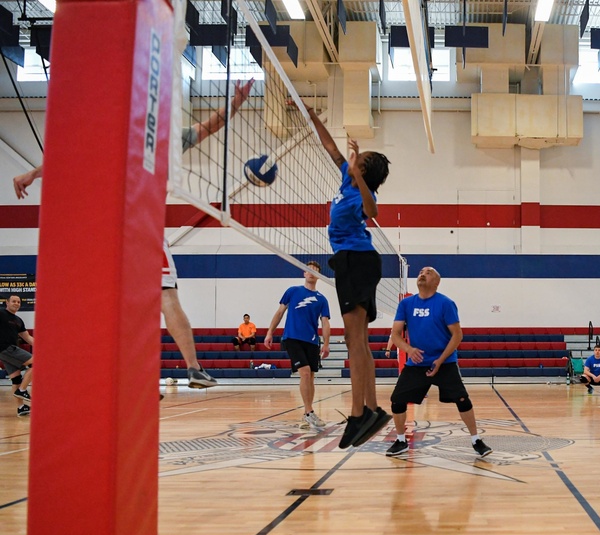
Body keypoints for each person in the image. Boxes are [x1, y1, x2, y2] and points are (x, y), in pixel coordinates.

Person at [13, 79, 255, 390]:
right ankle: (193, 368)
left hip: (103, 232)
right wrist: (237, 102)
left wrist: (31, 174)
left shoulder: (108, 136)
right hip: (141, 227)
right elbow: (212, 126)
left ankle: (125, 378)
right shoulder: (161, 139)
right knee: (166, 295)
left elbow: (65, 160)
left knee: (117, 305)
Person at [306, 106, 392, 448]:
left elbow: (373, 212)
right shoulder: (346, 177)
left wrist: (357, 174)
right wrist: (311, 115)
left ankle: (358, 416)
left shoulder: (360, 192)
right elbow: (331, 149)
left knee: (353, 341)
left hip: (356, 261)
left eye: (360, 159)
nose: (353, 158)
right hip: (353, 261)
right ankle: (372, 409)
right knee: (360, 341)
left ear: (363, 170)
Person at [385, 267, 491, 458]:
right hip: (417, 363)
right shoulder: (406, 304)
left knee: (462, 399)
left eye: (429, 272)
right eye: (421, 271)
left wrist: (440, 361)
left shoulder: (445, 303)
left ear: (437, 281)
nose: (423, 273)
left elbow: (457, 335)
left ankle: (476, 440)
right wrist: (409, 350)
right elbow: (395, 334)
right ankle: (401, 440)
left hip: (445, 362)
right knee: (397, 400)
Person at [263, 261, 331, 430]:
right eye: (308, 270)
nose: (311, 273)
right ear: (304, 273)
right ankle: (309, 413)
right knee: (305, 373)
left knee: (311, 377)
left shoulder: (322, 299)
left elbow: (325, 322)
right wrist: (270, 332)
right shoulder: (292, 291)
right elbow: (279, 313)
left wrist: (326, 344)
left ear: (318, 276)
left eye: (315, 271)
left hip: (312, 341)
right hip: (293, 338)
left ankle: (306, 414)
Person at [0, 295, 34, 417]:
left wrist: (43, 347)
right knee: (36, 363)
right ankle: (23, 390)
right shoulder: (1, 313)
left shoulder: (19, 320)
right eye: (13, 301)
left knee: (16, 380)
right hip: (6, 349)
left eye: (18, 302)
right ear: (7, 303)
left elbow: (27, 337)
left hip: (7, 353)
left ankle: (21, 407)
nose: (16, 303)